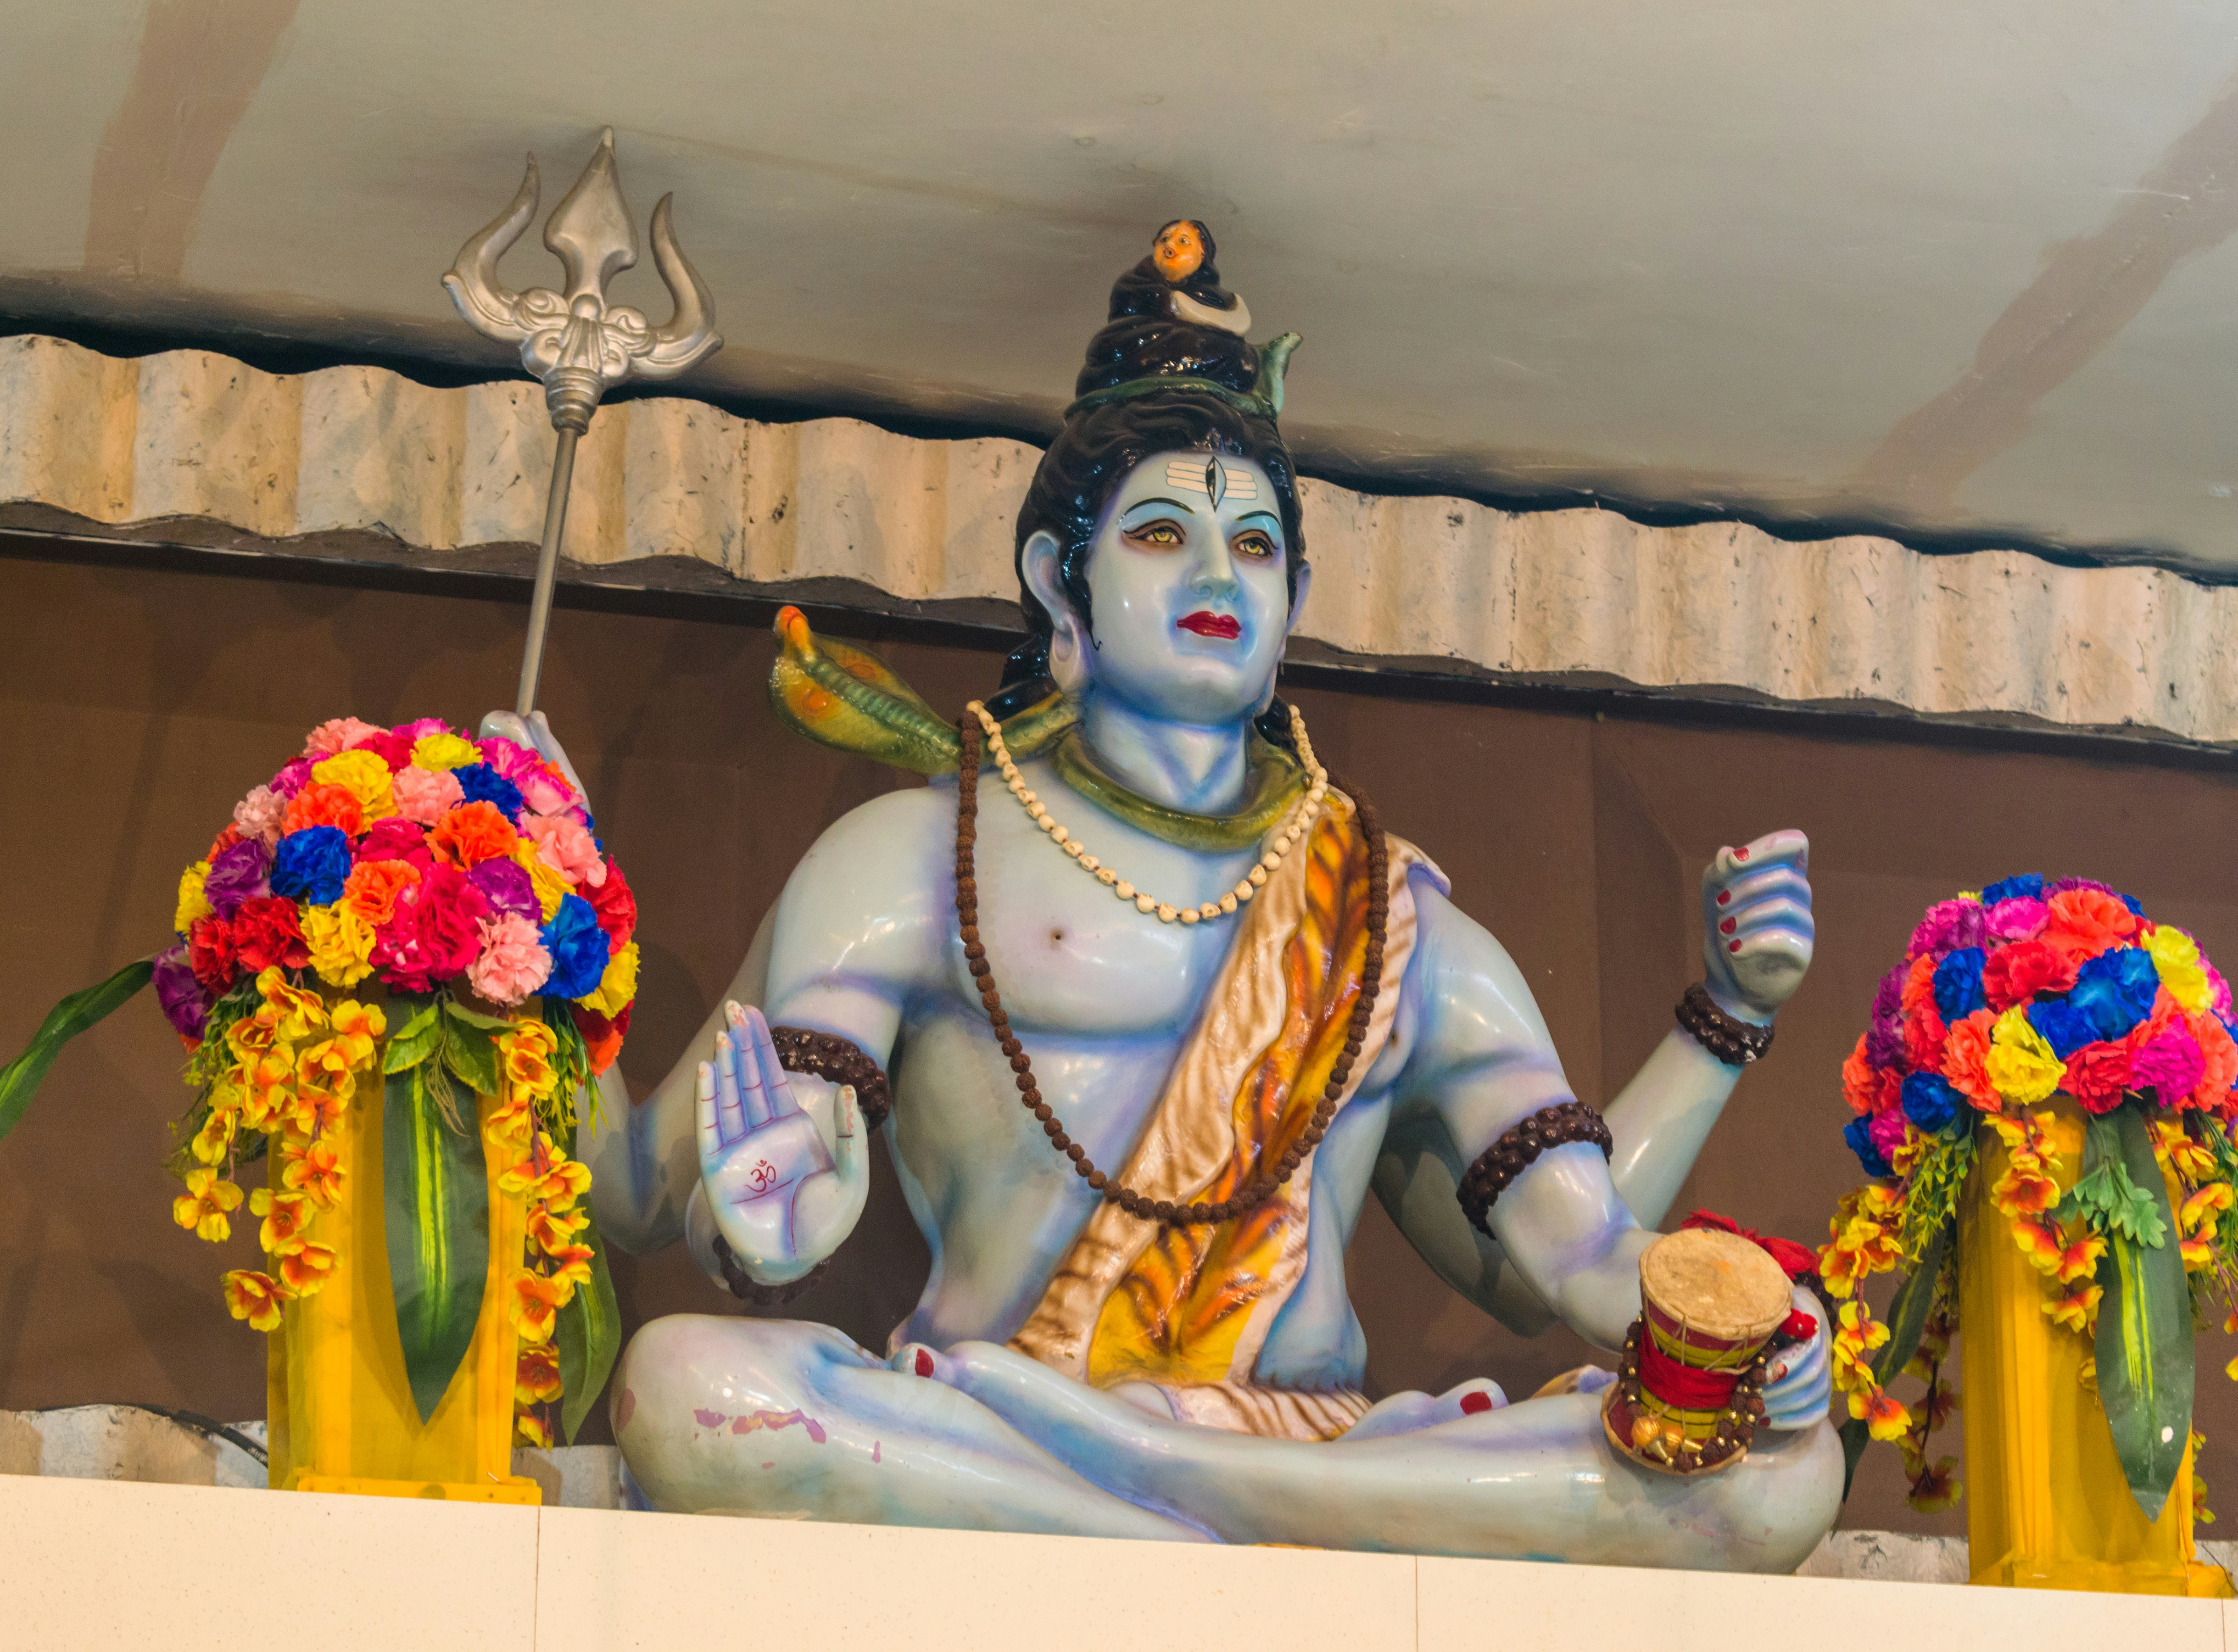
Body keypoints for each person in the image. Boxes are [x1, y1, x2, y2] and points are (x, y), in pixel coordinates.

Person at [507, 222, 1837, 1566]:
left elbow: (1579, 1254)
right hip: (999, 1413)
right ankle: (1228, 1526)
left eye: (1254, 546)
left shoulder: (1392, 914)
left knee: (1787, 1471)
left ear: (1294, 594)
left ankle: (1164, 1495)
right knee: (695, 1393)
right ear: (1058, 582)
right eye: (1161, 532)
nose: (1218, 577)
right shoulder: (916, 861)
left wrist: (1747, 1332)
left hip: (1304, 1442)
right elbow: (657, 1193)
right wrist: (541, 917)